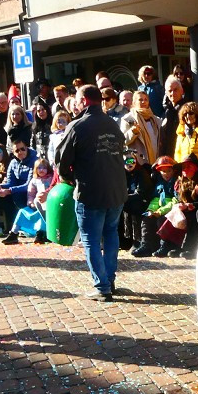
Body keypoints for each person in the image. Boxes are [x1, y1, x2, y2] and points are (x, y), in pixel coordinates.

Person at [56, 85, 128, 301]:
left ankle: (102, 286)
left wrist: (69, 178)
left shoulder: (77, 126)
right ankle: (110, 280)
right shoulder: (112, 124)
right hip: (116, 190)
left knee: (91, 240)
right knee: (111, 234)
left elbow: (61, 161)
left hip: (91, 191)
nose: (75, 104)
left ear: (85, 101)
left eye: (77, 100)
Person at [2, 158, 53, 246]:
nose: (41, 170)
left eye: (44, 168)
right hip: (35, 206)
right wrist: (31, 203)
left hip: (48, 207)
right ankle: (13, 233)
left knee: (42, 213)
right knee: (22, 211)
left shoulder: (51, 179)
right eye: (39, 168)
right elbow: (30, 195)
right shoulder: (34, 181)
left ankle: (40, 234)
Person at [173, 102, 198, 177]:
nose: (188, 116)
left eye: (191, 113)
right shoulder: (181, 134)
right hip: (186, 176)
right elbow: (177, 154)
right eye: (185, 114)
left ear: (197, 114)